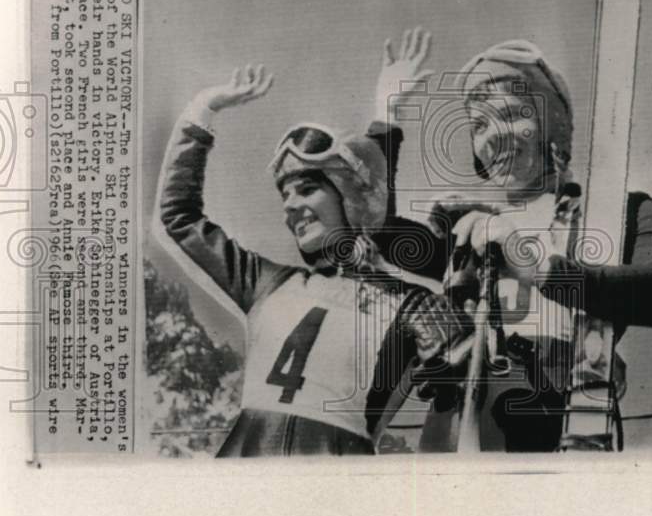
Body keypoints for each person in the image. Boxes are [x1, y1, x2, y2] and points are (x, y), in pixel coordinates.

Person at [370, 34, 652, 450]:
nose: (495, 137)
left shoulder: (614, 212)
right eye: (479, 125)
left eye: (513, 115)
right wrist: (384, 119)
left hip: (561, 428)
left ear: (550, 125)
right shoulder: (466, 229)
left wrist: (540, 269)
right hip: (463, 432)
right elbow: (375, 230)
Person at [158, 64, 470, 456]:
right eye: (285, 195)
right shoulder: (268, 282)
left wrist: (455, 353)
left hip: (335, 483)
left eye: (306, 189)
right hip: (241, 471)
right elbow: (180, 218)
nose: (291, 206)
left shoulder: (415, 305)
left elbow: (457, 398)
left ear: (350, 195)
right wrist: (202, 110)